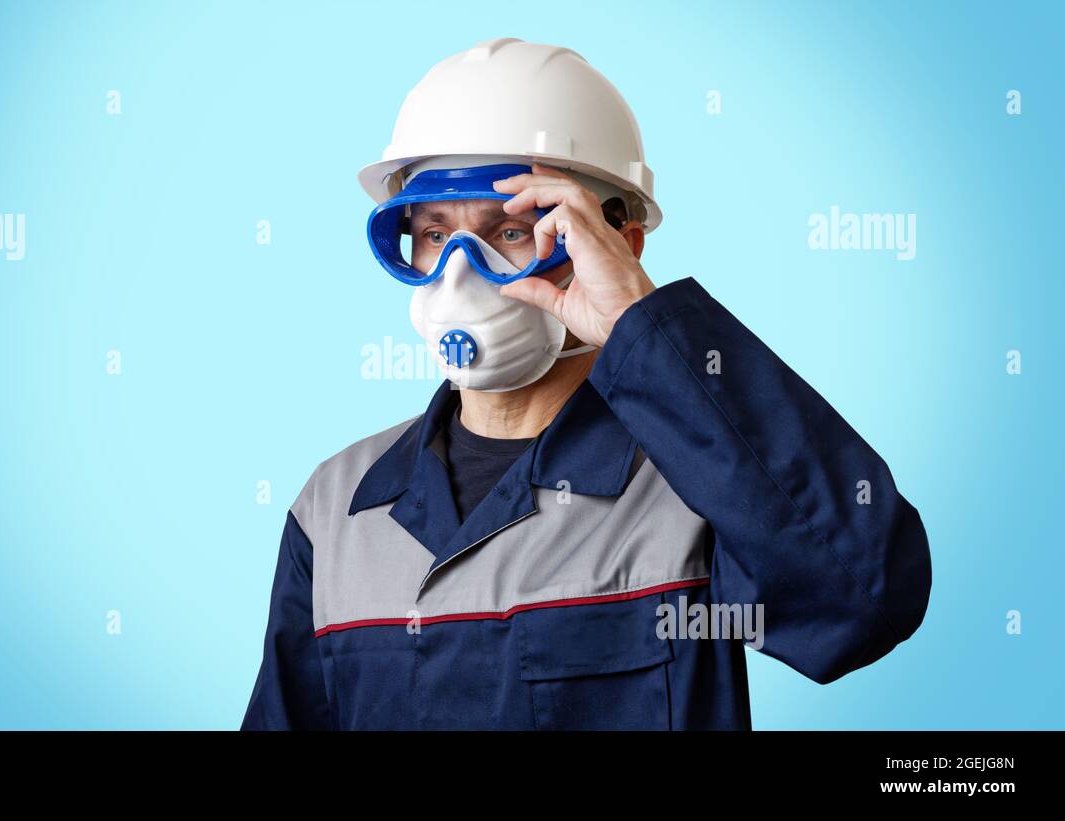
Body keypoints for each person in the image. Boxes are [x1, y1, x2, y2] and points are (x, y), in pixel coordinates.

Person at [241, 38, 931, 730]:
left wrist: (641, 320)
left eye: (509, 230)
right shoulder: (334, 512)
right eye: (432, 232)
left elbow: (863, 594)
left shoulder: (696, 482)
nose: (459, 272)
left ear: (618, 246)